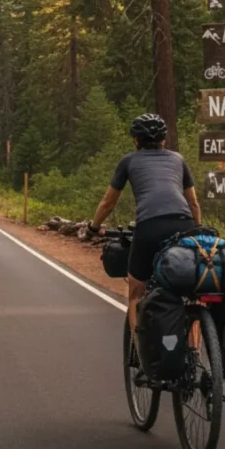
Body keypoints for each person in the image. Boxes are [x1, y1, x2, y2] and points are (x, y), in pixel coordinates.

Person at [86, 113, 202, 334]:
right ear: (163, 140)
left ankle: (139, 346)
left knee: (136, 290)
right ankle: (194, 345)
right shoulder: (178, 159)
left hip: (150, 227)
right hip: (183, 224)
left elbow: (108, 202)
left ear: (136, 140)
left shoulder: (129, 161)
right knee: (189, 287)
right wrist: (197, 229)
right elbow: (193, 204)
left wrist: (94, 227)